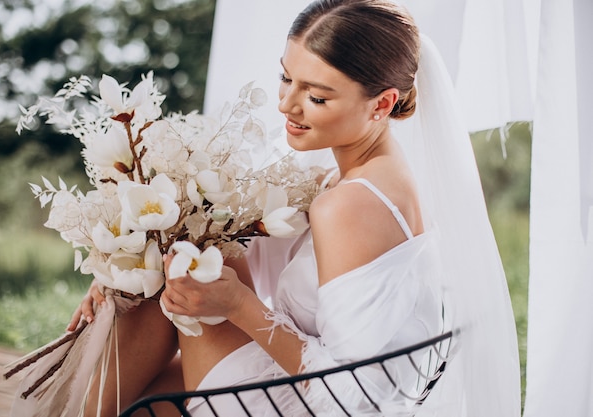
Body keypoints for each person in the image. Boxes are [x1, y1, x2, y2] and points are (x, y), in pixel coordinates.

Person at [69, 0, 521, 416]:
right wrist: (126, 270)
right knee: (167, 275)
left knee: (166, 282)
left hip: (302, 402)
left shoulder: (352, 205)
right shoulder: (364, 172)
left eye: (317, 97)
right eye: (287, 78)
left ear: (382, 103)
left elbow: (350, 396)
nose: (287, 104)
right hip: (291, 378)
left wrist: (239, 305)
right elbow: (249, 253)